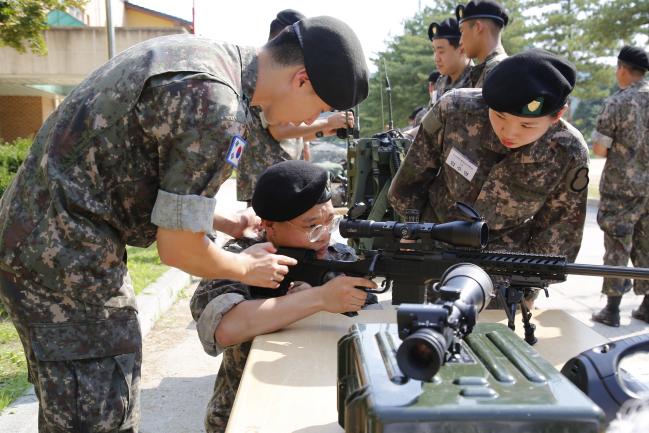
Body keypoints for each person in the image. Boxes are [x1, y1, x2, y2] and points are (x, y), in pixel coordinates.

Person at [0, 16, 368, 433]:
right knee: (97, 411)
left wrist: (216, 216)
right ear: (301, 79)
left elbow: (123, 170)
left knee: (84, 396)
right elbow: (178, 250)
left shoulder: (206, 61)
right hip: (65, 257)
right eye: (319, 108)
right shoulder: (217, 106)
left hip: (48, 240)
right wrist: (246, 268)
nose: (310, 122)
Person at [190, 161, 376, 433]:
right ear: (270, 226)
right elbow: (225, 329)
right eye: (311, 225)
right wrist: (318, 299)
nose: (324, 235)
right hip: (249, 414)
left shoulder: (337, 257)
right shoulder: (237, 260)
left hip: (323, 407)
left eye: (329, 221)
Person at [388, 49, 589, 263]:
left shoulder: (569, 153)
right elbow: (410, 181)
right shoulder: (455, 109)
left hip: (504, 262)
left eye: (526, 125)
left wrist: (527, 286)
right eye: (500, 116)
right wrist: (409, 234)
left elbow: (558, 235)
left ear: (557, 115)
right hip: (433, 244)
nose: (509, 132)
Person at [237, 9, 357, 203]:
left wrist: (325, 131)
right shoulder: (267, 77)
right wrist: (326, 123)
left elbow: (295, 133)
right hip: (266, 174)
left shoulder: (283, 78)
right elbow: (279, 131)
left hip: (281, 171)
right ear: (287, 33)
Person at [591, 46, 649, 327]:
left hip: (622, 188)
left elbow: (600, 149)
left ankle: (612, 309)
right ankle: (647, 305)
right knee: (646, 243)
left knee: (617, 243)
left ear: (623, 69)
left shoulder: (618, 102)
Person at [456, 0, 509, 88]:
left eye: (462, 31)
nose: (460, 41)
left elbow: (539, 100)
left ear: (477, 27)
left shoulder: (504, 71)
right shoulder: (482, 72)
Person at [428, 17, 472, 102]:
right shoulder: (440, 82)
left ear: (461, 49)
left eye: (441, 51)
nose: (436, 58)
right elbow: (432, 112)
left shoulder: (477, 80)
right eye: (434, 51)